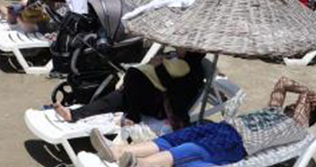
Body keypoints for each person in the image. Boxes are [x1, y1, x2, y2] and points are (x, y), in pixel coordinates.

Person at [91, 76, 316, 167]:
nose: (289, 107)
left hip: (237, 143)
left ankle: (136, 164)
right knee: (173, 138)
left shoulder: (296, 126)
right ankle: (118, 151)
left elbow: (306, 101)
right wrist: (303, 89)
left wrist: (308, 95)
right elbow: (283, 82)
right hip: (223, 127)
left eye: (293, 107)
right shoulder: (274, 111)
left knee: (189, 150)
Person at [55, 50, 207, 127]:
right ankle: (73, 114)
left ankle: (133, 115)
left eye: (181, 46)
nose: (177, 47)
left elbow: (172, 90)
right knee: (115, 98)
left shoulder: (194, 70)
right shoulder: (179, 60)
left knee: (133, 75)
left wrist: (157, 65)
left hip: (163, 108)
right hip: (148, 98)